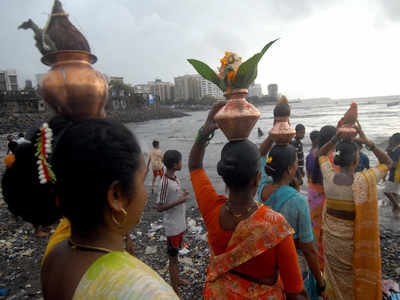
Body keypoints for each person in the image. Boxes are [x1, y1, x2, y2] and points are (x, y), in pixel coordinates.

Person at [41, 118, 178, 299]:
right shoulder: (147, 292)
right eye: (142, 181)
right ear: (116, 196)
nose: (145, 193)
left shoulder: (55, 257)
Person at [189, 102, 306, 299]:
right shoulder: (276, 227)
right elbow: (295, 291)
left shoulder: (212, 210)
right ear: (258, 178)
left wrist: (205, 132)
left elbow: (194, 166)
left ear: (224, 176)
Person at [318, 121, 392, 299]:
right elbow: (387, 162)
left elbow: (321, 152)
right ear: (356, 160)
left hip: (331, 241)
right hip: (353, 244)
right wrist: (368, 142)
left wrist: (335, 138)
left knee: (336, 278)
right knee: (353, 278)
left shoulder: (328, 176)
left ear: (336, 158)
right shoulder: (365, 179)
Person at [262, 144, 325, 299]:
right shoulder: (298, 201)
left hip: (268, 261)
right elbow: (308, 248)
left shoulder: (261, 189)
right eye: (296, 161)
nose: (298, 164)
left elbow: (260, 155)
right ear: (290, 169)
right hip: (292, 265)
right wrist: (321, 282)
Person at [156, 149, 189, 297]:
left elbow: (173, 198)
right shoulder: (164, 182)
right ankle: (175, 289)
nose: (182, 163)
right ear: (175, 164)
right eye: (180, 161)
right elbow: (159, 207)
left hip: (179, 224)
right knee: (173, 259)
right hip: (172, 228)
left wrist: (182, 196)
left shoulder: (175, 178)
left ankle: (177, 279)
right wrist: (179, 201)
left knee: (176, 257)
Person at [307, 125, 337, 271]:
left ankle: (316, 264)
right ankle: (324, 267)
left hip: (313, 195)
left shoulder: (311, 153)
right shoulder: (332, 157)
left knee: (315, 229)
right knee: (326, 232)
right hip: (325, 196)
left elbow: (309, 175)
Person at [384, 132, 400, 216]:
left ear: (395, 141)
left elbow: (393, 163)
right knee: (394, 192)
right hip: (397, 174)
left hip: (395, 175)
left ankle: (396, 206)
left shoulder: (396, 150)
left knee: (386, 191)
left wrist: (385, 168)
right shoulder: (397, 149)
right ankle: (395, 211)